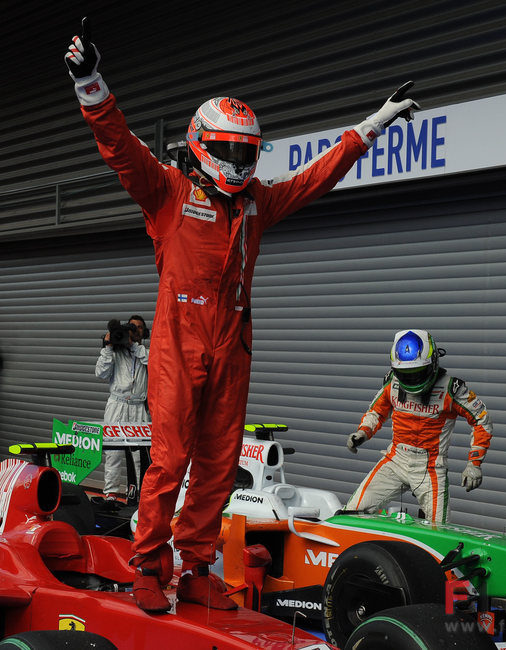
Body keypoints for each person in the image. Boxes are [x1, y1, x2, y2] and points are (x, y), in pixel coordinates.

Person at [65, 24, 420, 613]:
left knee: (219, 464)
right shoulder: (168, 191)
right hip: (178, 345)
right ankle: (149, 564)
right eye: (227, 149)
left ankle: (197, 564)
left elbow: (316, 176)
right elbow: (119, 145)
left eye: (246, 151)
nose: (237, 160)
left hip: (233, 346)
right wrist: (90, 83)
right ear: (202, 144)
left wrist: (372, 126)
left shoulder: (257, 203)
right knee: (169, 460)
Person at [345, 329, 493, 523]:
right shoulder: (393, 382)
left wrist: (474, 463)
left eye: (417, 372)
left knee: (438, 531)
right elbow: (377, 411)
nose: (411, 378)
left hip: (431, 466)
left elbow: (481, 419)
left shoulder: (451, 389)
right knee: (352, 513)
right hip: (396, 459)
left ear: (432, 363)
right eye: (405, 373)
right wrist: (362, 432)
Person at [95, 315, 149, 501]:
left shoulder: (147, 352)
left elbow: (155, 364)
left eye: (139, 328)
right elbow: (100, 373)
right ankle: (111, 494)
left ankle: (139, 495)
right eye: (131, 327)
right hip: (117, 405)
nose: (134, 331)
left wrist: (133, 345)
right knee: (113, 452)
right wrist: (108, 347)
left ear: (145, 332)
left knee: (139, 455)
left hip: (138, 407)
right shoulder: (115, 352)